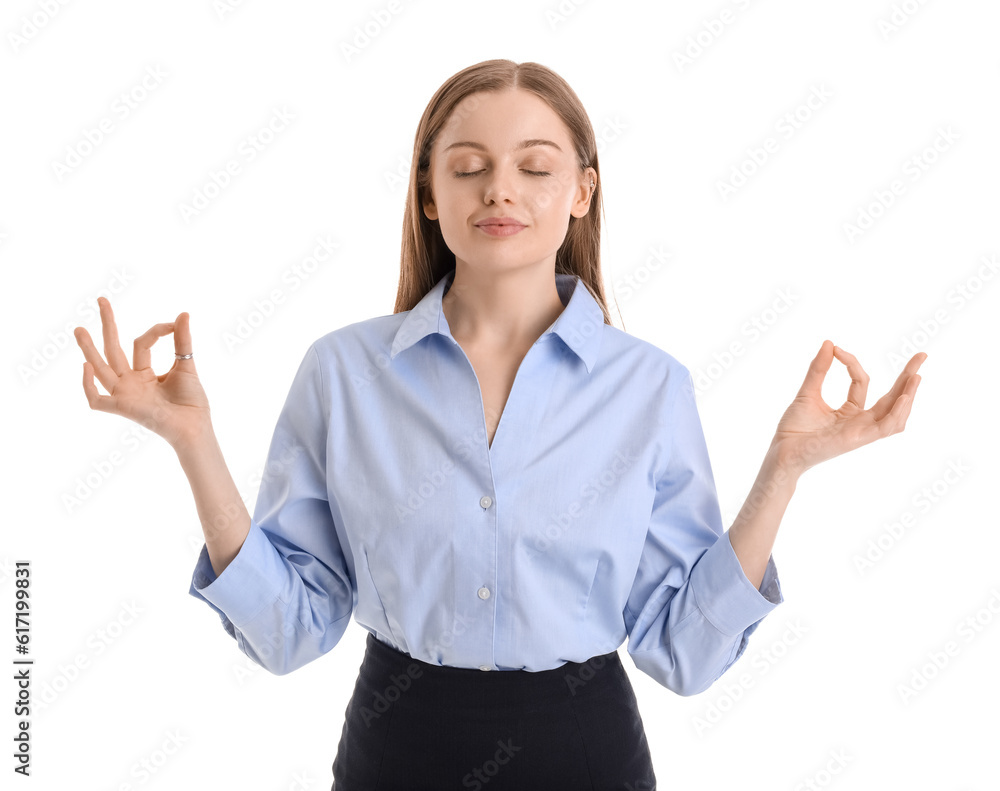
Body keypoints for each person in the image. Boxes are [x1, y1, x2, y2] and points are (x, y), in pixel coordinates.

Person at [74, 59, 926, 791]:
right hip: (396, 745)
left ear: (582, 192)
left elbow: (683, 652)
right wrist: (193, 444)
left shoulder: (649, 386)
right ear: (431, 195)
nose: (501, 189)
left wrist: (783, 468)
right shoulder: (343, 373)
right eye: (470, 165)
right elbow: (289, 631)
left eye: (536, 167)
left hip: (586, 747)